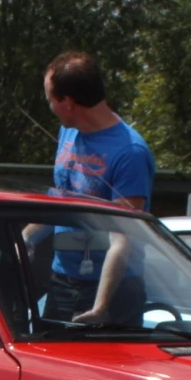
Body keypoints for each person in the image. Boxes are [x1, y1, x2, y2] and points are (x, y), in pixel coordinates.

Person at [40, 52, 154, 327]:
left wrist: (100, 307)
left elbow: (123, 237)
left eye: (50, 100)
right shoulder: (68, 132)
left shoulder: (130, 152)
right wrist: (24, 240)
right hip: (63, 280)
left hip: (114, 292)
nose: (50, 107)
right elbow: (59, 198)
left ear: (67, 102)